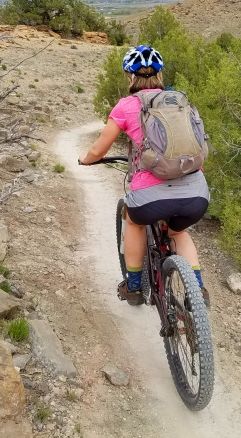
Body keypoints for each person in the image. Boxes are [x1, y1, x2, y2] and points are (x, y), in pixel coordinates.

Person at [79, 45, 210, 307]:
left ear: (129, 76)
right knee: (178, 232)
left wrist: (86, 160)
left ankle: (135, 287)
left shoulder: (127, 105)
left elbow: (98, 149)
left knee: (136, 223)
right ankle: (198, 292)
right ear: (160, 75)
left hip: (149, 197)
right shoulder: (180, 101)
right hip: (196, 193)